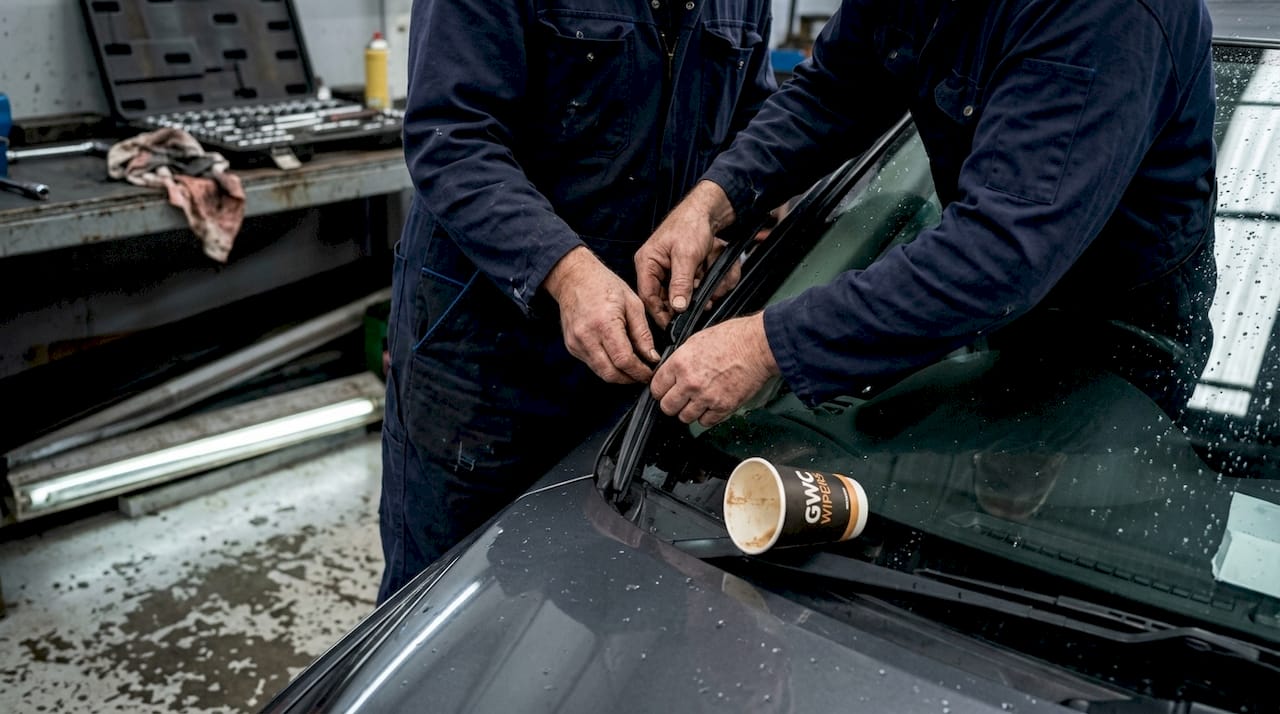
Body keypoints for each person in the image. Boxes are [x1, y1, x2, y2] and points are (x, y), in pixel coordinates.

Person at [637, 0, 1218, 428]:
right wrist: (712, 201)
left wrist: (762, 346)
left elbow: (997, 255)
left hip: (1122, 341)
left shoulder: (1104, 16)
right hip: (993, 311)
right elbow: (833, 90)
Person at [378, 0, 776, 602]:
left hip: (638, 360)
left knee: (612, 597)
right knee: (438, 605)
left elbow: (756, 121)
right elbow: (450, 134)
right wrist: (566, 273)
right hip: (482, 357)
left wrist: (728, 229)